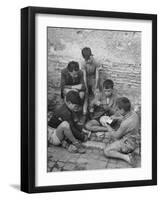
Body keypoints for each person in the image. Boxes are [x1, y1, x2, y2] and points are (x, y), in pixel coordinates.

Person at [103, 97, 140, 166]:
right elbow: (125, 118)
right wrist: (116, 118)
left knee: (106, 151)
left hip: (129, 144)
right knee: (116, 123)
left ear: (122, 110)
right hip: (135, 137)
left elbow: (116, 136)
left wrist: (107, 125)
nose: (117, 111)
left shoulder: (125, 124)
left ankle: (127, 157)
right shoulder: (133, 113)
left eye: (118, 109)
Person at [81, 47, 101, 115]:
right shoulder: (83, 63)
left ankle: (92, 109)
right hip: (86, 78)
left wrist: (96, 86)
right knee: (86, 94)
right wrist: (86, 87)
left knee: (97, 94)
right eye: (86, 60)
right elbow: (84, 76)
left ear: (91, 55)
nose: (88, 61)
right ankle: (84, 112)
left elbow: (97, 76)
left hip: (93, 78)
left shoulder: (96, 62)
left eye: (89, 59)